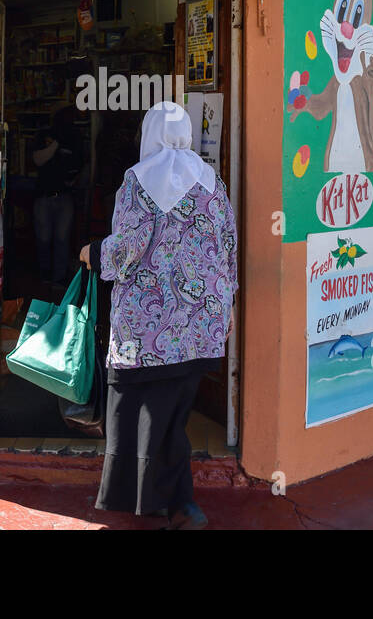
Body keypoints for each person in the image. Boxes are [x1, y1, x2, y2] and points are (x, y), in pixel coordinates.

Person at [79, 100, 237, 530]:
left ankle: (156, 502)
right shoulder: (211, 181)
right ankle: (176, 504)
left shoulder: (137, 180)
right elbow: (227, 245)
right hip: (201, 323)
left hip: (144, 331)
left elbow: (126, 247)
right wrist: (228, 305)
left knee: (139, 409)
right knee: (171, 415)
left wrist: (93, 253)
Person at [33, 105, 81, 290]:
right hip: (44, 194)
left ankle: (59, 279)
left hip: (65, 195)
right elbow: (38, 159)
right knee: (44, 238)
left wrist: (75, 179)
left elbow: (81, 161)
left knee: (62, 239)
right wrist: (56, 143)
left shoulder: (74, 136)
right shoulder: (44, 135)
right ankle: (45, 275)